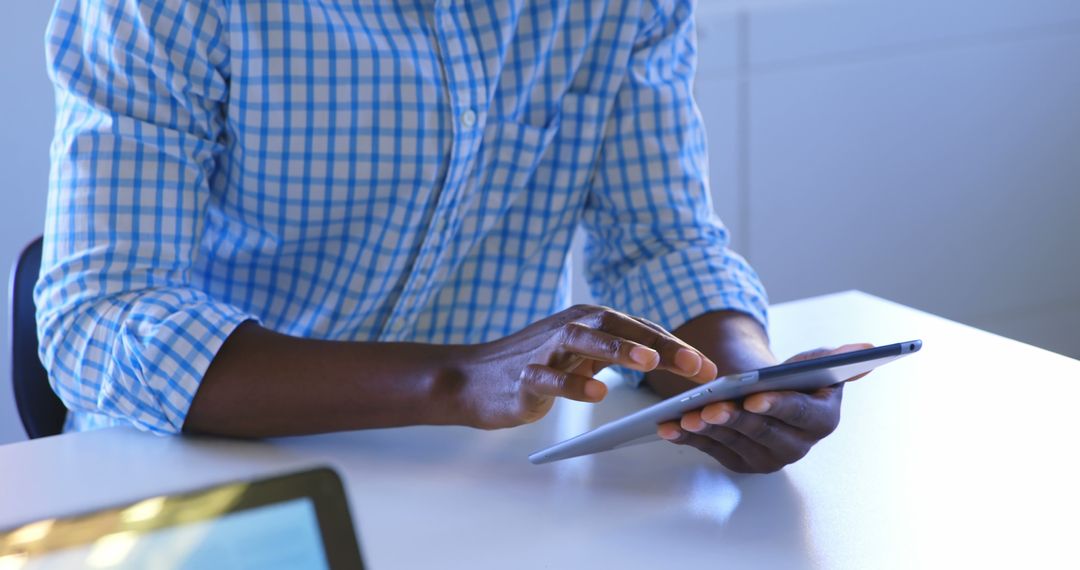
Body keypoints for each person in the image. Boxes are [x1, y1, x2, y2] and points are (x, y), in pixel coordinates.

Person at [37, 0, 861, 474]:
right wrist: (455, 379)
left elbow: (660, 242)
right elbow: (101, 317)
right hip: (197, 481)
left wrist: (740, 387)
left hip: (478, 483)